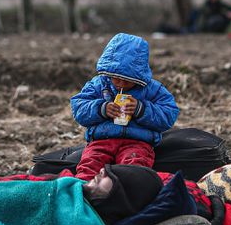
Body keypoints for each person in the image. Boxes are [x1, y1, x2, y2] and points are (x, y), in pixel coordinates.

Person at [70, 33, 179, 179]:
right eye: (116, 79)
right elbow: (78, 107)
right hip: (102, 141)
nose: (121, 84)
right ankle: (83, 194)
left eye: (127, 81)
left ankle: (126, 195)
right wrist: (101, 109)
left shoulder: (152, 89)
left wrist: (142, 109)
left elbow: (169, 114)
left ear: (138, 76)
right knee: (90, 166)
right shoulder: (99, 84)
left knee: (134, 170)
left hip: (137, 143)